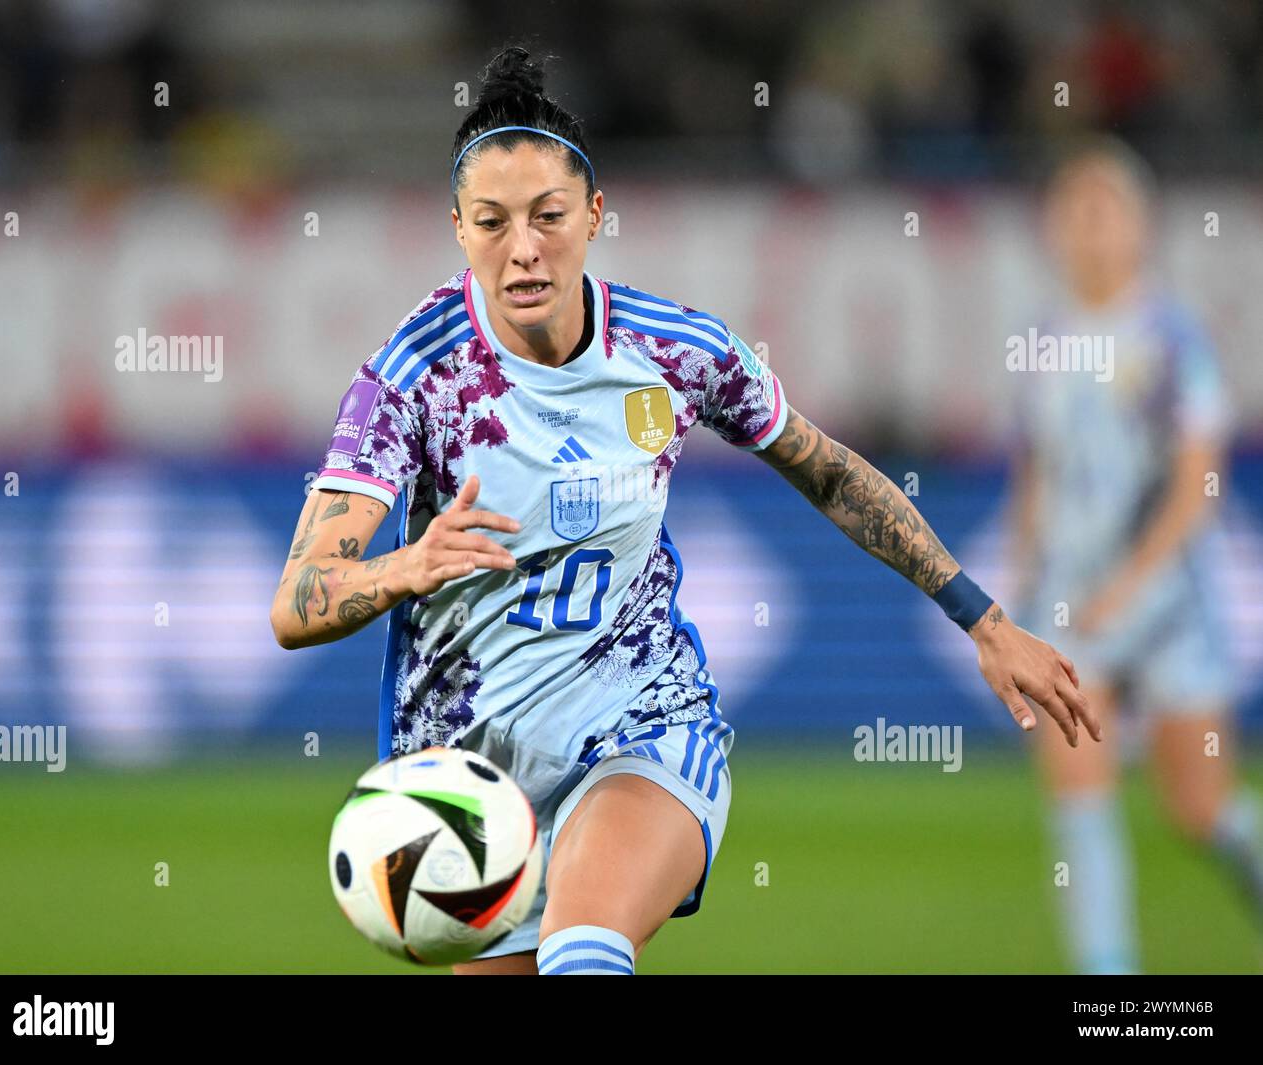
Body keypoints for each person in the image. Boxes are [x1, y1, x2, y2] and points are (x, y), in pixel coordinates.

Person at [270, 44, 1097, 976]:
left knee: (583, 951)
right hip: (476, 787)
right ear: (458, 228)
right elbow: (297, 601)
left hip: (643, 728)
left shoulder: (675, 351)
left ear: (594, 215)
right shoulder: (411, 379)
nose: (524, 247)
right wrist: (405, 566)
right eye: (493, 222)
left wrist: (981, 617)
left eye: (548, 216)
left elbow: (828, 473)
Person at [1008, 137, 1262, 974]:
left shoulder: (1169, 339)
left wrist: (1132, 583)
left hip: (1168, 606)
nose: (1087, 229)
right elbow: (1038, 471)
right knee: (1079, 797)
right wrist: (1018, 585)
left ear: (1138, 227)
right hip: (1070, 608)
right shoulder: (1044, 341)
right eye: (1072, 211)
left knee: (1201, 809)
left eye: (1103, 211)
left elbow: (1200, 483)